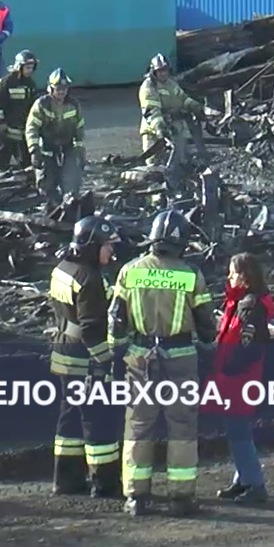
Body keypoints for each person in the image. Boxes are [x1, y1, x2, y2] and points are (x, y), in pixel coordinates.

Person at [109, 209, 216, 517]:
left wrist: (118, 354)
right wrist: (209, 347)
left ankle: (136, 497)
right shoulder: (190, 274)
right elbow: (206, 324)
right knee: (181, 427)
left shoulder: (130, 271)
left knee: (139, 426)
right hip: (180, 357)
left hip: (141, 357)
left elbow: (116, 319)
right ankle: (181, 498)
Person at [48, 216, 123, 498]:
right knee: (98, 419)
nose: (111, 252)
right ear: (92, 247)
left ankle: (65, 480)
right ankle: (105, 484)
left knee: (69, 417)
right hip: (85, 359)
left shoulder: (63, 268)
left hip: (63, 351)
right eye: (107, 246)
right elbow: (92, 329)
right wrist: (106, 362)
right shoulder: (89, 278)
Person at [208, 253, 274, 505]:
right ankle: (243, 480)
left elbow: (250, 347)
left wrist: (228, 368)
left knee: (239, 433)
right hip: (237, 379)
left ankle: (255, 484)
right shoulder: (241, 303)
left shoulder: (250, 307)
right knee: (237, 431)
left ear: (245, 277)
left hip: (239, 381)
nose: (229, 277)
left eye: (233, 272)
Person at [27, 69, 86, 197]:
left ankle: (70, 211)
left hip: (67, 149)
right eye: (58, 88)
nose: (61, 91)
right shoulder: (42, 104)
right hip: (47, 151)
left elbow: (79, 127)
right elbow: (32, 128)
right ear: (50, 88)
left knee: (71, 185)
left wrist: (80, 149)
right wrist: (34, 150)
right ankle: (49, 211)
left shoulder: (73, 104)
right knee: (47, 187)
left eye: (64, 88)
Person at [138, 54, 202, 161]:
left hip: (174, 127)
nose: (163, 73)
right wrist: (159, 128)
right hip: (153, 131)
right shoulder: (149, 87)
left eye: (165, 70)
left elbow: (183, 99)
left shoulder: (171, 84)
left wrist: (195, 106)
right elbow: (151, 110)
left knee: (182, 159)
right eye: (160, 71)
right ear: (153, 72)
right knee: (153, 161)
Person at [0, 50, 40, 171]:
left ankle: (26, 185)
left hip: (22, 133)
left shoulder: (31, 84)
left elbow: (33, 107)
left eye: (32, 68)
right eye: (27, 68)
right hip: (5, 133)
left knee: (27, 164)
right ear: (19, 67)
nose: (30, 71)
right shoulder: (6, 83)